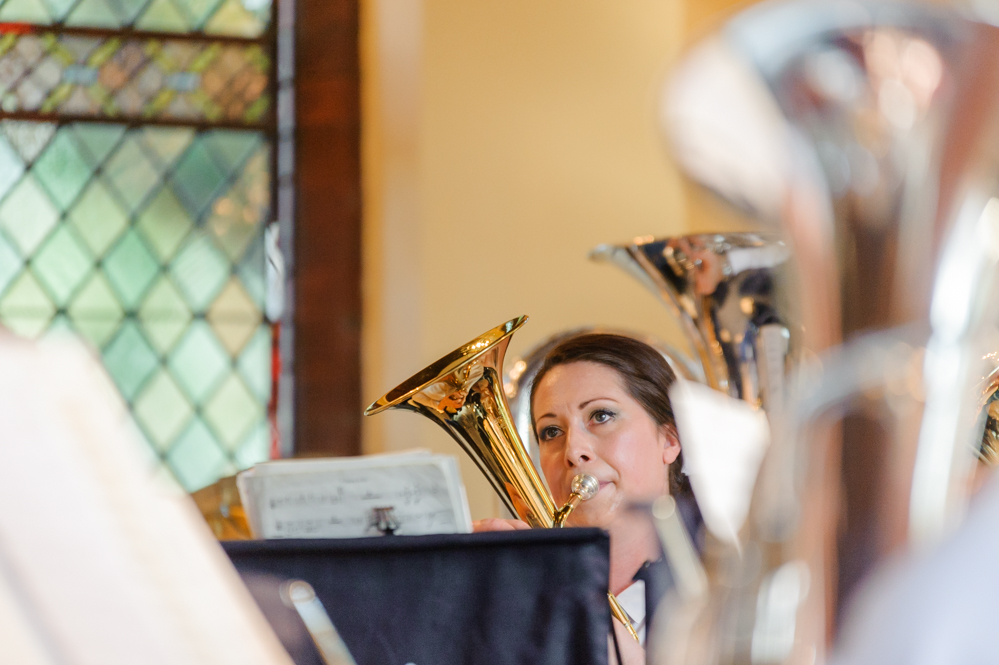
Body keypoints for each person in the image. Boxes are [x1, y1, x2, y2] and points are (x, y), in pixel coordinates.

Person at [474, 333, 698, 665]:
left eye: (601, 416)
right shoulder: (523, 598)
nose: (573, 451)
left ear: (669, 439)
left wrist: (573, 596)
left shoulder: (719, 590)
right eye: (551, 431)